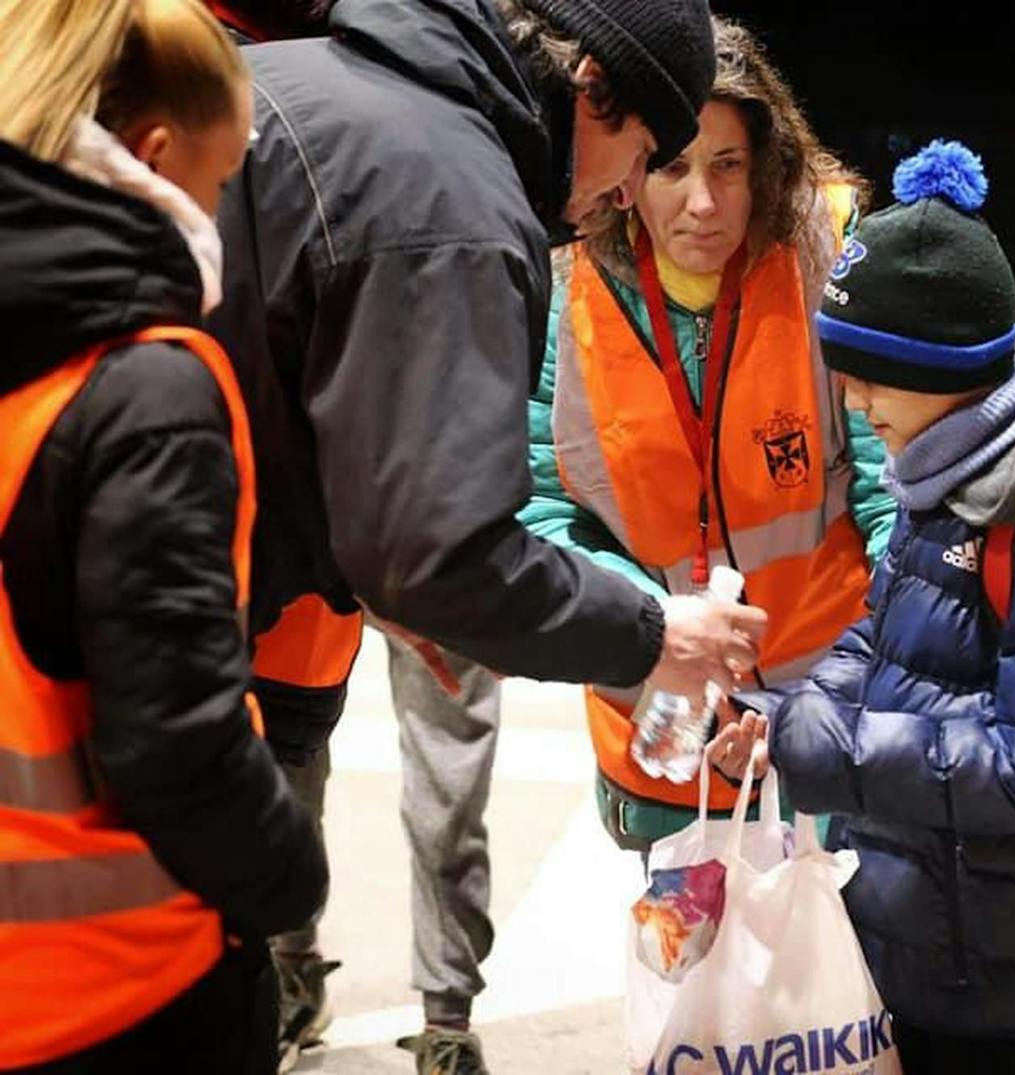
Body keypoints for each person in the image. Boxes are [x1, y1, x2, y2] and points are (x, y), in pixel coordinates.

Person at [204, 0, 763, 1068]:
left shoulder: (324, 84)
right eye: (640, 152)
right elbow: (443, 556)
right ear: (588, 85)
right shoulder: (446, 193)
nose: (616, 195)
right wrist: (655, 630)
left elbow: (283, 399)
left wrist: (368, 569)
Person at [379, 18, 896, 1069]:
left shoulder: (826, 266)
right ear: (624, 171)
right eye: (669, 167)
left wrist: (850, 682)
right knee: (698, 1005)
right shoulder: (562, 289)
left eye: (728, 166)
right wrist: (658, 635)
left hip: (829, 715)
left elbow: (892, 494)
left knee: (842, 998)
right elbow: (533, 506)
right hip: (661, 715)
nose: (699, 204)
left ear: (772, 167)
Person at [739, 141, 1015, 1075]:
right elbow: (883, 629)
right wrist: (786, 716)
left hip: (997, 974)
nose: (853, 399)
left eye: (871, 372)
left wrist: (833, 750)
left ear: (950, 367)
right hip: (917, 931)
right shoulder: (948, 473)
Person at [0, 1, 326, 1071]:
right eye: (224, 181)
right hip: (122, 988)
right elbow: (175, 748)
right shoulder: (146, 387)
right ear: (152, 156)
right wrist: (289, 878)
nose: (223, 213)